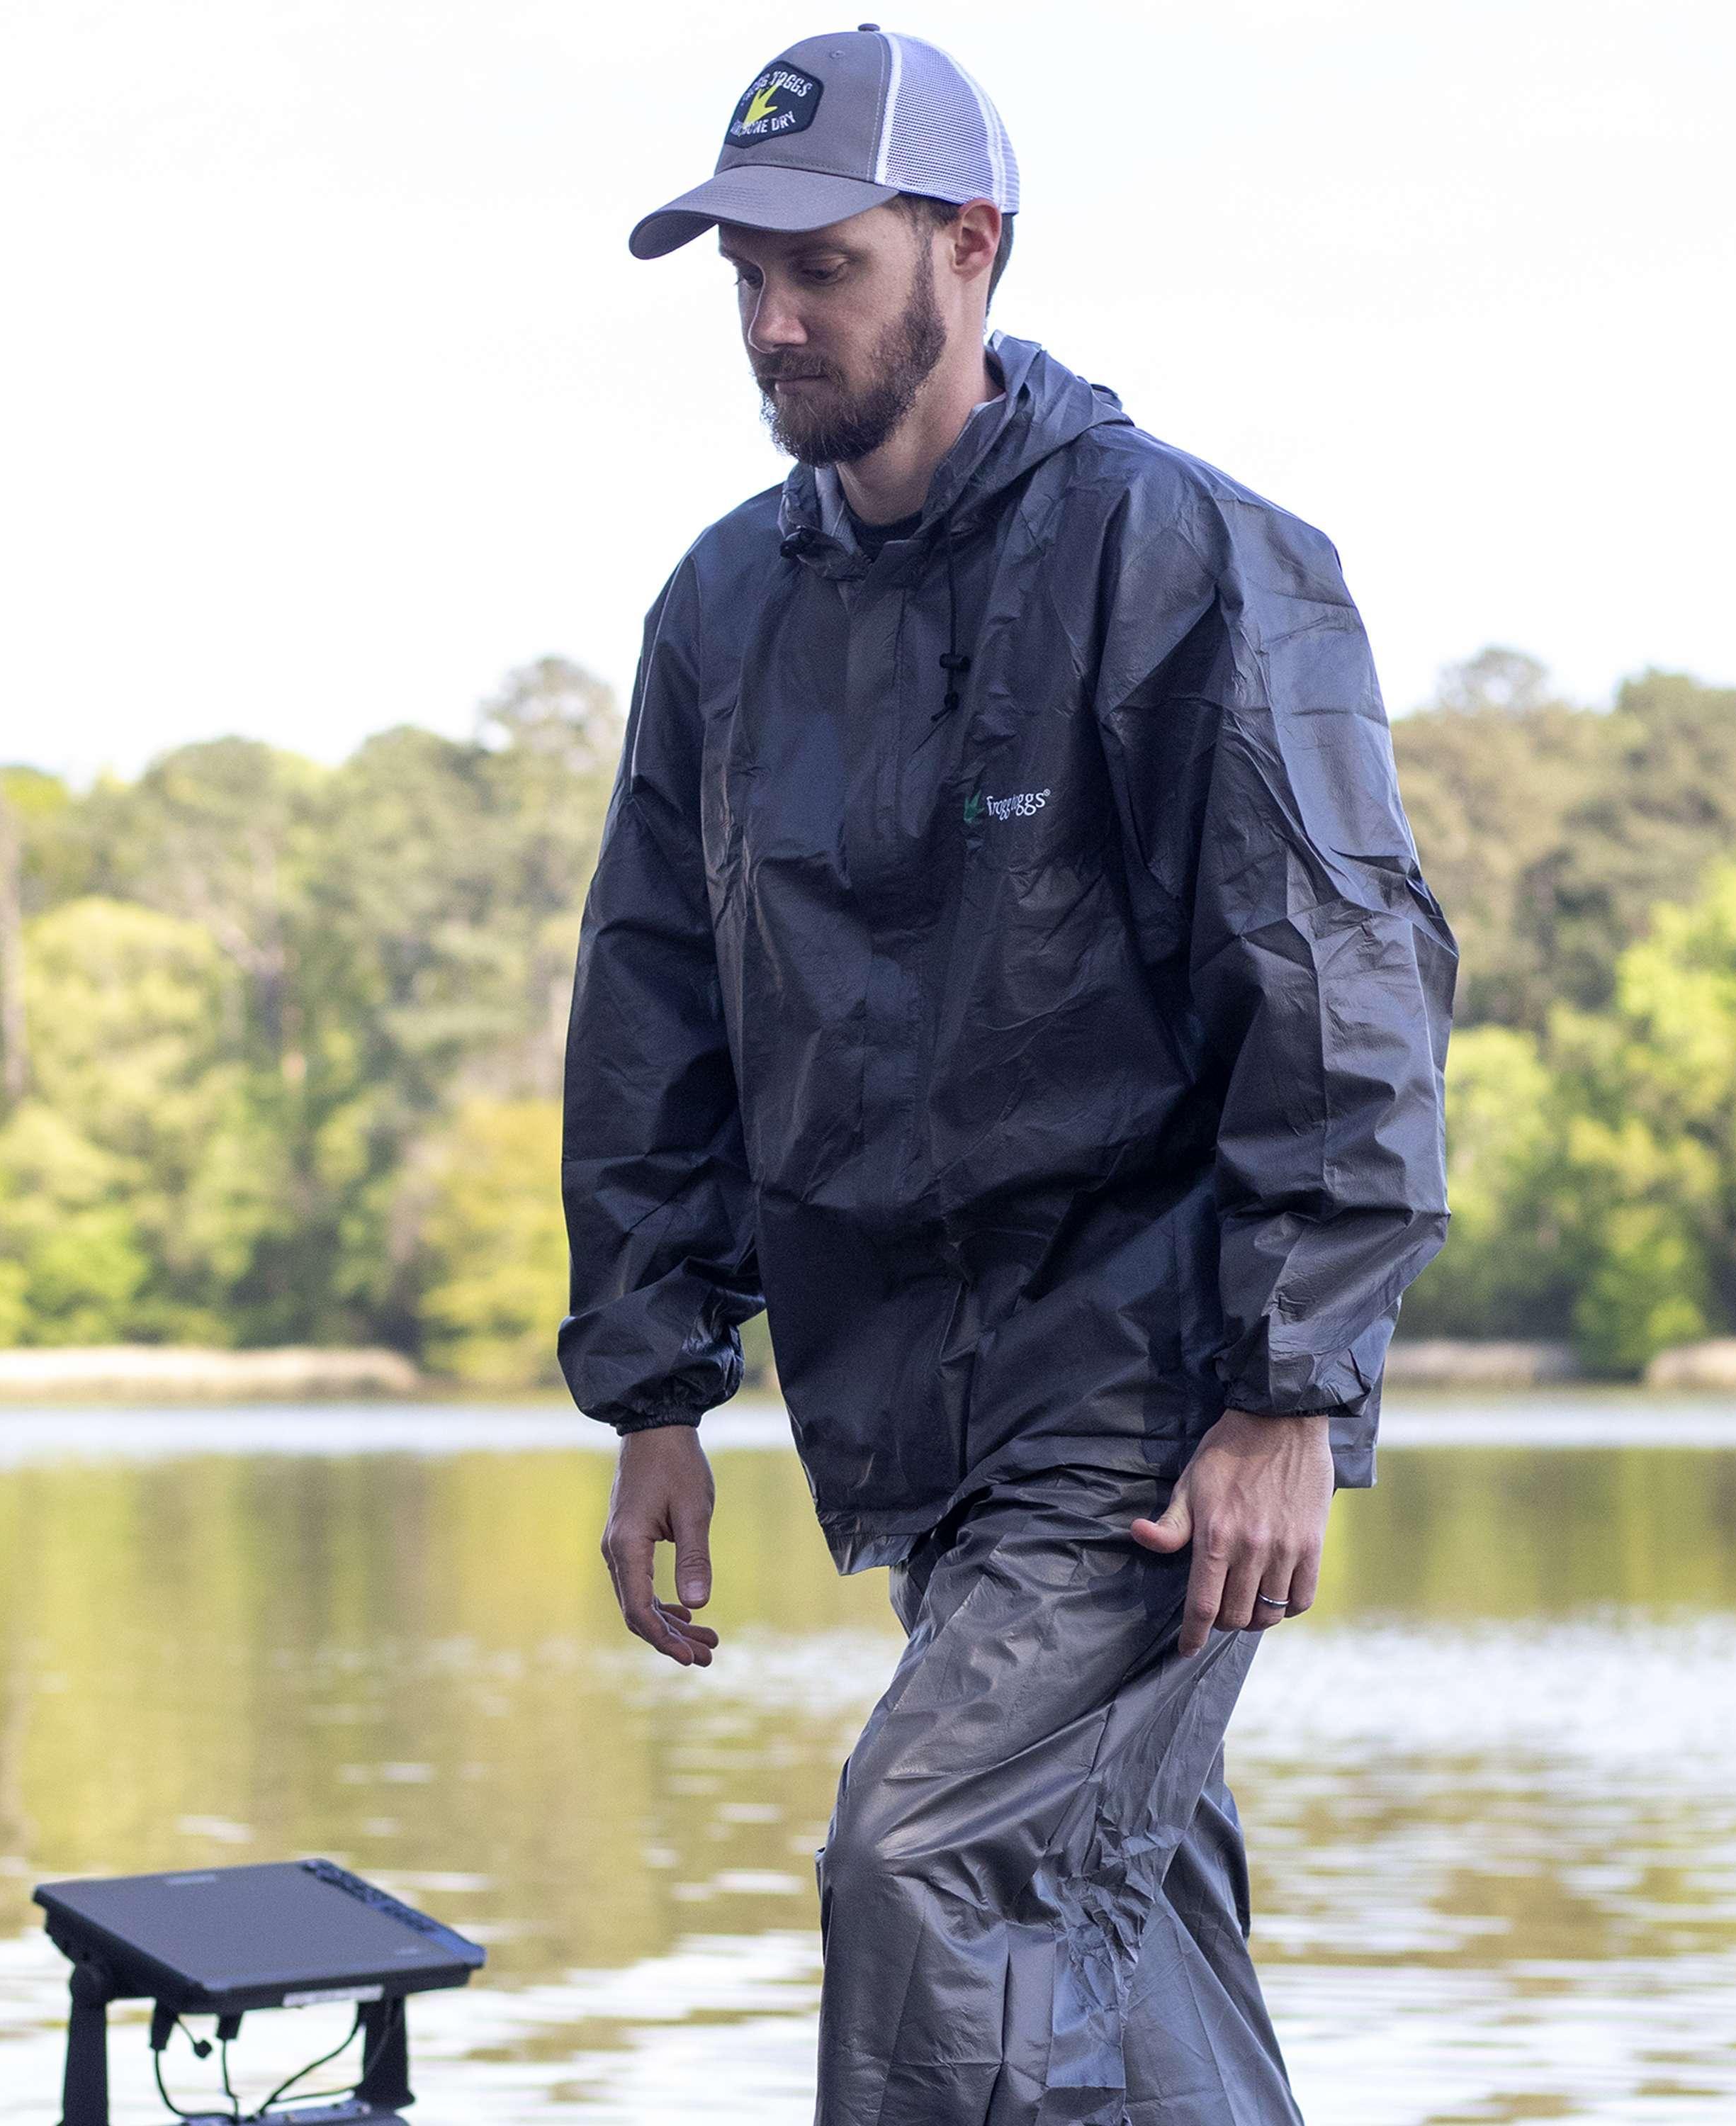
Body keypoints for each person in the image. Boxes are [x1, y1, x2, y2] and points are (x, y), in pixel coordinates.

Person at [557, 26, 1456, 2125]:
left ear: (971, 245)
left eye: (827, 268)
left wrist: (1288, 1392)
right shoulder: (722, 610)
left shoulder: (1185, 554)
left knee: (931, 1864)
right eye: (747, 277)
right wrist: (658, 1386)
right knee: (1116, 1939)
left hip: (1156, 1391)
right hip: (912, 1406)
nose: (775, 323)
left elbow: (1338, 983)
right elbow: (655, 1001)